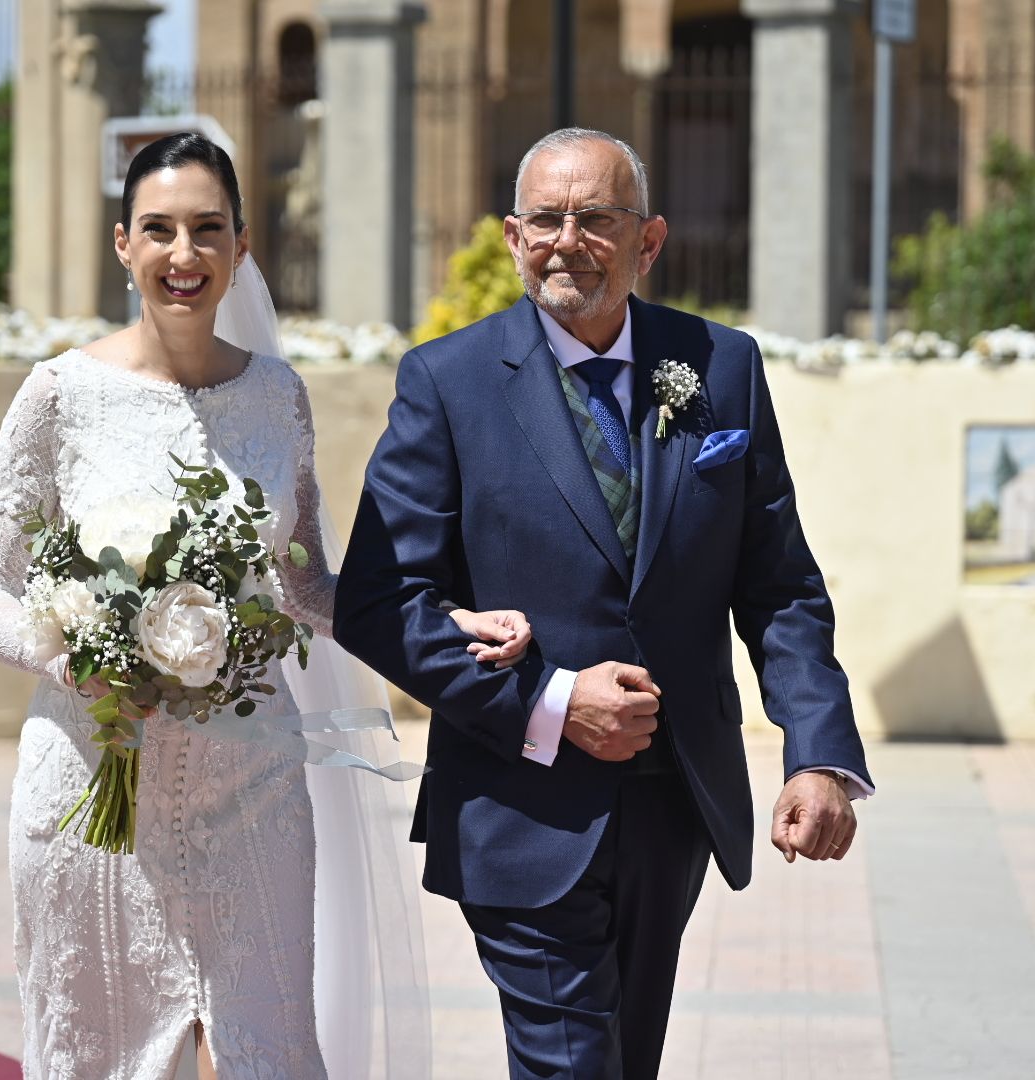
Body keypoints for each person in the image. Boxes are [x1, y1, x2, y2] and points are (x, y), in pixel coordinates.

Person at [0, 132, 529, 1080]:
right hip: (92, 791)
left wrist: (442, 620)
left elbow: (303, 586)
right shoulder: (59, 395)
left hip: (251, 788)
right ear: (122, 244)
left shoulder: (277, 397)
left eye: (207, 230)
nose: (184, 255)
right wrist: (73, 657)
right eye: (160, 231)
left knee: (259, 1055)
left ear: (242, 246)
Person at [334, 127, 876, 1080]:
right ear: (511, 236)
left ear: (649, 241)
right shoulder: (446, 384)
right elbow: (379, 602)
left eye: (595, 218)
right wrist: (549, 701)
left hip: (674, 806)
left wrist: (819, 753)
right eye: (544, 218)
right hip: (516, 809)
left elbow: (778, 584)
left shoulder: (722, 366)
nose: (566, 240)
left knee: (624, 1063)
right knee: (571, 1065)